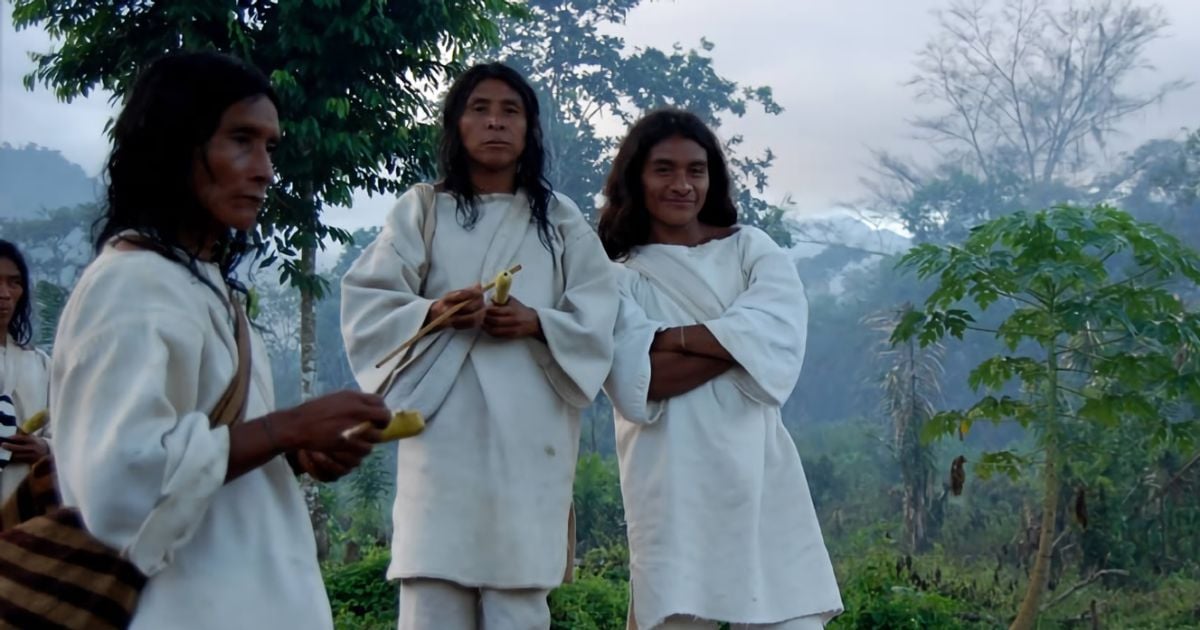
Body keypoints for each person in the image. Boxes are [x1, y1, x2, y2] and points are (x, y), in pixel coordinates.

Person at [49, 51, 390, 629]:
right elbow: (116, 485)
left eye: (270, 148)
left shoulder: (199, 283)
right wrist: (284, 428)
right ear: (177, 144)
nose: (263, 169)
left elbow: (213, 446)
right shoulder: (129, 286)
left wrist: (294, 453)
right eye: (240, 140)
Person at [341, 62, 617, 629]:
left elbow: (600, 314)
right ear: (456, 126)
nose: (496, 122)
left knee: (518, 600)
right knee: (431, 595)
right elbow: (368, 299)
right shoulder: (422, 208)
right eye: (480, 109)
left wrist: (537, 323)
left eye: (510, 111)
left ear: (529, 129)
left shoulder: (560, 220)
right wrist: (436, 311)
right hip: (443, 438)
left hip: (529, 436)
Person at [598, 108, 843, 630]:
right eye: (664, 169)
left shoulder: (751, 248)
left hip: (760, 472)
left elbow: (779, 345)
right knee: (678, 616)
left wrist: (670, 339)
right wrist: (740, 340)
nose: (682, 185)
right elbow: (640, 380)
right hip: (669, 480)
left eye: (696, 170)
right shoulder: (615, 278)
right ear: (636, 177)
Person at [0, 239, 51, 503]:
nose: (4, 294)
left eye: (14, 282)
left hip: (25, 508)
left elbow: (68, 431)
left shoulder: (40, 363)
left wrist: (44, 448)